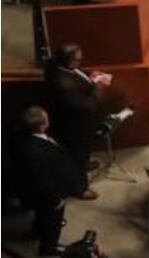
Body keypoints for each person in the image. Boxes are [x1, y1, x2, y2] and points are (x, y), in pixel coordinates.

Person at [18, 107, 93, 256]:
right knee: (52, 222)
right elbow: (41, 181)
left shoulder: (31, 139)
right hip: (52, 195)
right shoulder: (34, 152)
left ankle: (37, 230)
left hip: (45, 193)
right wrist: (55, 201)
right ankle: (48, 247)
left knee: (42, 216)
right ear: (42, 125)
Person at [45, 44, 106, 179]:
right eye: (77, 60)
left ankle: (84, 164)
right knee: (78, 151)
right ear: (67, 60)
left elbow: (77, 74)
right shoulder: (62, 82)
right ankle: (79, 182)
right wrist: (98, 88)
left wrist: (90, 75)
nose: (79, 63)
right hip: (75, 124)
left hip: (82, 121)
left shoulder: (66, 67)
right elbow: (86, 105)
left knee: (84, 149)